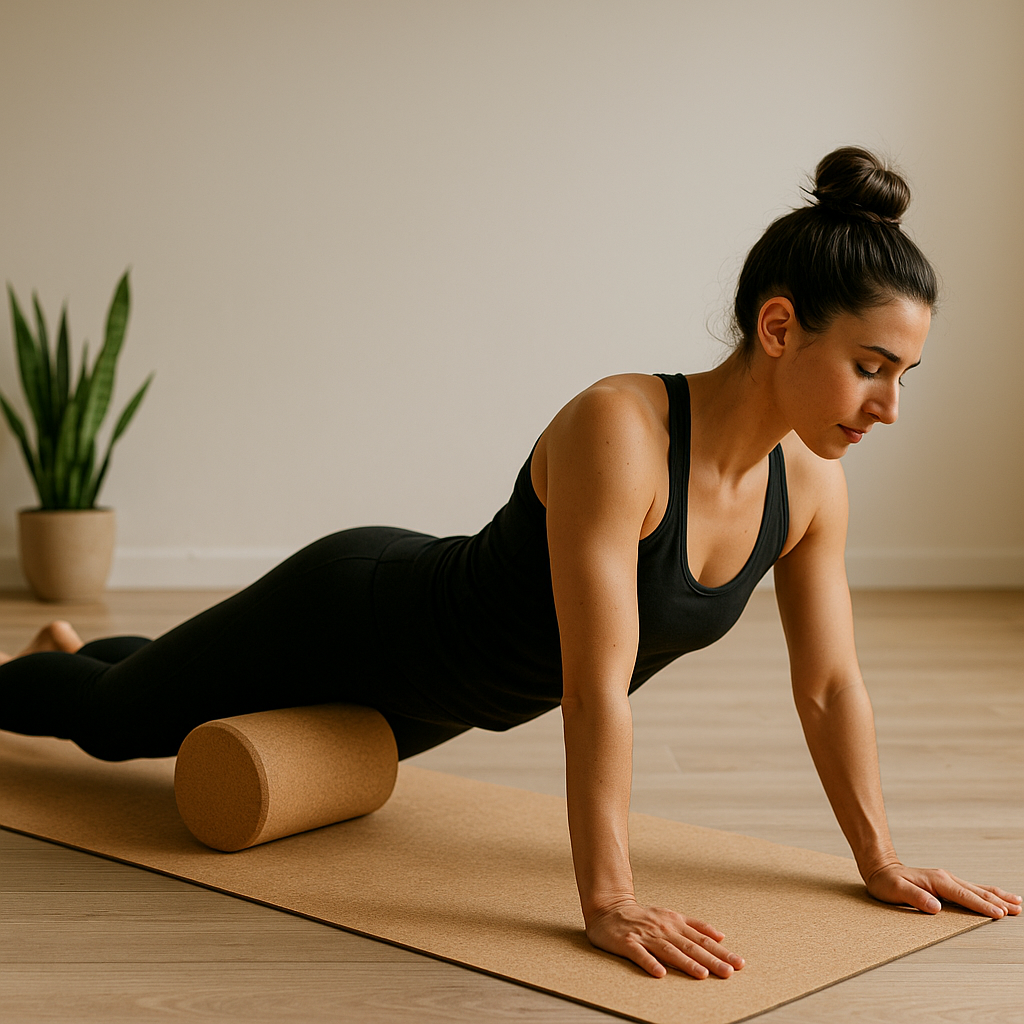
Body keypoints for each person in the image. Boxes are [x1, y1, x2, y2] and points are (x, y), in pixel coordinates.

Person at [1, 147, 1019, 979]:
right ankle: (60, 672)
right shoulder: (618, 429)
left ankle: (94, 653)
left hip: (435, 703)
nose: (888, 406)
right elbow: (595, 687)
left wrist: (878, 859)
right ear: (779, 326)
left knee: (182, 700)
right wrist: (607, 897)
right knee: (118, 728)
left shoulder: (811, 487)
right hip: (361, 613)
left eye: (904, 375)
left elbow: (830, 685)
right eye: (870, 368)